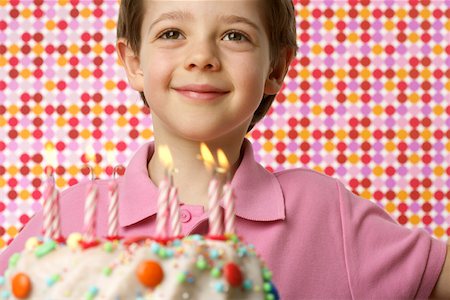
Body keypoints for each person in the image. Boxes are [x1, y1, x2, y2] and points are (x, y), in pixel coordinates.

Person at [1, 0, 449, 298]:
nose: (202, 56)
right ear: (134, 63)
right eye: (172, 33)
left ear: (275, 68)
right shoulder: (68, 220)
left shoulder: (326, 214)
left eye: (235, 35)